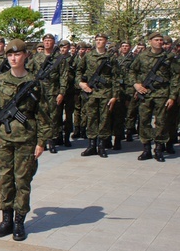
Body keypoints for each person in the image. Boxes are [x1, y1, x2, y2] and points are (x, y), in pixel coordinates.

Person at [0, 39, 51, 241]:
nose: (13, 58)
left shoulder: (35, 84)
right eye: (10, 55)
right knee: (5, 180)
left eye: (17, 54)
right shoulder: (0, 81)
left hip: (27, 139)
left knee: (23, 181)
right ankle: (6, 220)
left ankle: (19, 222)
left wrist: (41, 142)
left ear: (25, 56)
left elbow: (44, 115)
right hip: (3, 140)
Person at [129, 32, 179, 162]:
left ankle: (158, 148)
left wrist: (172, 96)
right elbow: (132, 71)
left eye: (161, 40)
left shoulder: (169, 57)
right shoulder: (142, 56)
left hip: (162, 93)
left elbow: (175, 77)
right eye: (156, 40)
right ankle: (146, 149)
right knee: (144, 121)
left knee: (161, 122)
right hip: (145, 94)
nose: (160, 42)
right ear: (150, 41)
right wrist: (136, 85)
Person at [76, 34, 119, 158]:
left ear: (106, 42)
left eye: (101, 40)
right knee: (91, 118)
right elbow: (79, 71)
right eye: (97, 40)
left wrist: (115, 95)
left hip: (105, 92)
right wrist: (81, 84)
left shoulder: (111, 58)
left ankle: (101, 145)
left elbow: (116, 77)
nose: (99, 42)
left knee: (104, 119)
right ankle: (91, 145)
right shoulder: (88, 56)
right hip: (91, 92)